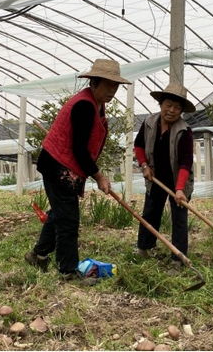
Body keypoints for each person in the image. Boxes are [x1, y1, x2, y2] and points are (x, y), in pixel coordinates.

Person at [25, 59, 131, 279]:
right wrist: (99, 175)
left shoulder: (96, 104)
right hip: (57, 166)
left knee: (59, 213)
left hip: (65, 166)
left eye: (115, 86)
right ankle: (67, 270)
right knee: (68, 220)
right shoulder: (83, 105)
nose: (112, 91)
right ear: (94, 82)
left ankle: (38, 255)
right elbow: (79, 149)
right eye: (108, 85)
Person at [134, 83, 195, 266]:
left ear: (181, 111)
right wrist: (144, 165)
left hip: (179, 181)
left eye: (177, 107)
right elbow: (139, 146)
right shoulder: (149, 123)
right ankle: (144, 248)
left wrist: (179, 189)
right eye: (168, 105)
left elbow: (186, 162)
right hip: (155, 178)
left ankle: (178, 258)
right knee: (150, 212)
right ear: (161, 104)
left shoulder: (184, 131)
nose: (172, 110)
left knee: (179, 218)